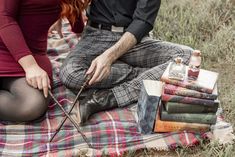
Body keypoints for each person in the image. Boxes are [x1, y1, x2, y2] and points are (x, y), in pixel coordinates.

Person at [60, 0, 193, 124]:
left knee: (188, 57)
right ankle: (145, 74)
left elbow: (143, 21)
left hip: (133, 40)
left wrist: (109, 57)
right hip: (96, 35)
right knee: (70, 74)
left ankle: (106, 98)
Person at [0, 0, 88, 123]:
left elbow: (77, 25)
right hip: (16, 52)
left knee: (32, 104)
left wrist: (65, 14)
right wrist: (30, 66)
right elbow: (3, 17)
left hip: (34, 54)